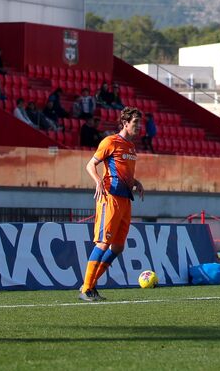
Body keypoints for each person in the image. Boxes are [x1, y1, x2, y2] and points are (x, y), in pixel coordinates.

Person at [78, 107, 146, 302]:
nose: (138, 127)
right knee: (103, 242)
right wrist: (98, 181)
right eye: (135, 123)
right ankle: (86, 289)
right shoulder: (110, 141)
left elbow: (123, 172)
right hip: (110, 197)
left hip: (125, 199)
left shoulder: (131, 147)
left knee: (117, 247)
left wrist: (135, 182)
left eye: (139, 123)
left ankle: (88, 285)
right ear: (125, 123)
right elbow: (90, 164)